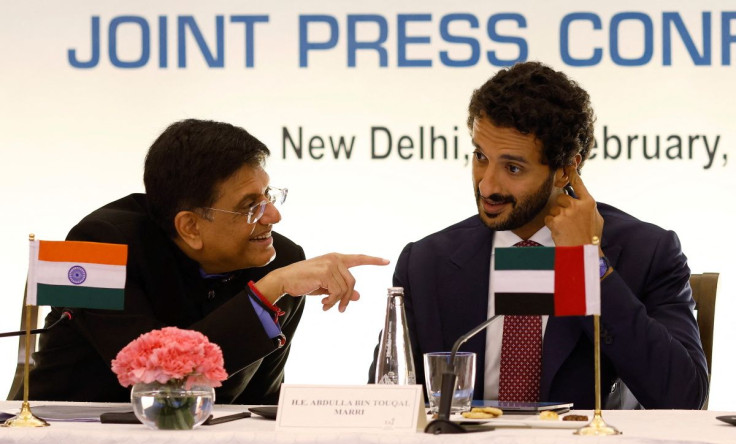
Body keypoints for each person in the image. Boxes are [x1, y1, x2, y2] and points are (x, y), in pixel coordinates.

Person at [369, 61, 708, 409]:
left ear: (565, 170)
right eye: (481, 157)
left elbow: (684, 399)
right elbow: (389, 405)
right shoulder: (426, 263)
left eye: (513, 168)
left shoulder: (646, 253)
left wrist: (586, 265)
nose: (487, 184)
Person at [22, 119, 388, 404]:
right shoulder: (95, 242)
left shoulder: (283, 259)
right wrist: (268, 292)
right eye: (251, 206)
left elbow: (261, 398)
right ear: (190, 226)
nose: (273, 216)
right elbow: (156, 382)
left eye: (269, 196)